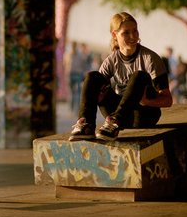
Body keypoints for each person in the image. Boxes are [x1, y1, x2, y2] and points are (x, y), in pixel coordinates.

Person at [69, 12, 173, 142]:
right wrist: (98, 96)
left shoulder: (150, 59)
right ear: (114, 35)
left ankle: (115, 121)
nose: (133, 36)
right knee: (92, 76)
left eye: (135, 31)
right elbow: (96, 88)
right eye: (126, 33)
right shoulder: (111, 61)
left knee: (139, 75)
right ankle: (86, 125)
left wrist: (146, 101)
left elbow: (168, 100)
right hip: (117, 116)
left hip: (143, 116)